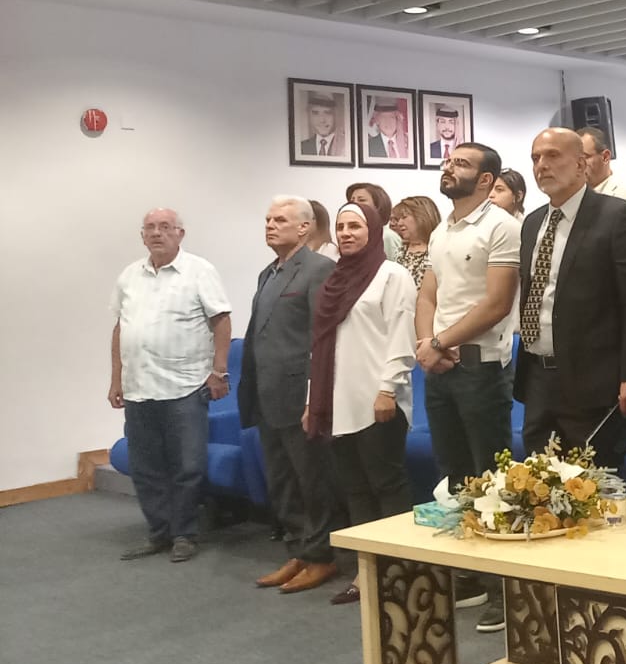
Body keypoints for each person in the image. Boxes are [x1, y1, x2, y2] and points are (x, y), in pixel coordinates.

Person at [416, 141, 520, 631]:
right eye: (448, 160)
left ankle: (506, 586)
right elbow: (428, 294)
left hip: (482, 367)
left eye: (461, 163)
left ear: (485, 180)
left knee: (492, 478)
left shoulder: (501, 226)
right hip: (442, 366)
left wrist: (441, 341)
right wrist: (426, 344)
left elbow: (497, 304)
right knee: (456, 477)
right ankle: (472, 577)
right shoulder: (443, 229)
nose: (448, 167)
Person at [307, 201, 418, 607]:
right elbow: (321, 347)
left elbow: (401, 337)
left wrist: (388, 389)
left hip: (378, 400)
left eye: (355, 226)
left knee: (387, 486)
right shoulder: (334, 279)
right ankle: (367, 571)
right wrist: (313, 400)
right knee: (355, 490)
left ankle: (401, 571)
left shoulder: (392, 275)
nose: (346, 233)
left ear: (372, 231)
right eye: (341, 227)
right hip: (339, 402)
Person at [514, 129, 626, 472]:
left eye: (553, 155)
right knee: (538, 485)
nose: (542, 165)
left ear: (581, 164)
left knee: (591, 486)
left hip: (593, 381)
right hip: (538, 377)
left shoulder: (616, 216)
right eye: (536, 158)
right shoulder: (532, 223)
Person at [109, 209, 232, 563]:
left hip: (185, 386)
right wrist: (116, 378)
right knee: (145, 467)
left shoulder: (199, 271)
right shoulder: (129, 276)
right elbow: (120, 329)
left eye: (165, 227)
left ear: (180, 233)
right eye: (150, 228)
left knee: (186, 466)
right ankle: (159, 533)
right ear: (142, 235)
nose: (157, 233)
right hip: (138, 387)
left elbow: (221, 321)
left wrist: (219, 371)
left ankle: (184, 534)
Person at [237, 197, 339, 594]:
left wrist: (316, 398)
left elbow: (322, 337)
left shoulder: (318, 269)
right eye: (267, 219)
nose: (270, 225)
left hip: (300, 395)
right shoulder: (269, 272)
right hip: (268, 393)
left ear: (304, 227)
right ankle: (299, 550)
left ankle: (321, 556)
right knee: (282, 481)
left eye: (280, 219)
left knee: (312, 479)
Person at [580, 126, 626, 229]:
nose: (578, 164)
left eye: (584, 157)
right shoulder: (574, 200)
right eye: (574, 159)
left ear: (605, 157)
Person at [389, 195, 440, 288]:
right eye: (398, 219)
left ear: (422, 217)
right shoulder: (399, 251)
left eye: (404, 217)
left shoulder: (437, 251)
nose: (399, 223)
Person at [347, 182, 405, 261]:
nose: (354, 204)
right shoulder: (352, 235)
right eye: (352, 201)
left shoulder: (387, 237)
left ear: (377, 206)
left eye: (361, 200)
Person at [300, 92, 345, 158]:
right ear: (309, 115)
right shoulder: (301, 147)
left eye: (327, 113)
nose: (322, 120)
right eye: (315, 113)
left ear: (336, 114)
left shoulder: (345, 145)